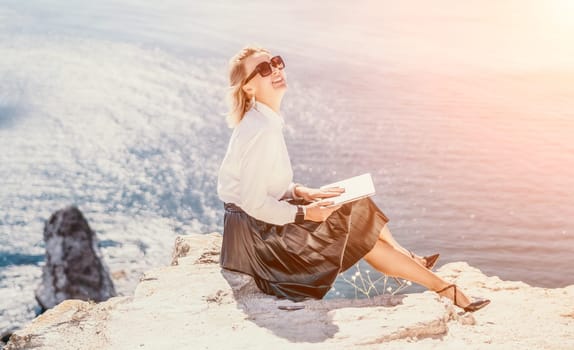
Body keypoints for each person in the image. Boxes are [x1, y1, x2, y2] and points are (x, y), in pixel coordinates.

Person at [217, 45, 490, 312]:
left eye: (275, 62)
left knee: (355, 202)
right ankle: (441, 285)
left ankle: (429, 276)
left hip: (256, 232)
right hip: (257, 244)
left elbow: (262, 185)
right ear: (248, 87)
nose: (275, 69)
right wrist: (304, 214)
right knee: (356, 218)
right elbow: (253, 203)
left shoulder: (265, 121)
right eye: (263, 69)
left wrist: (301, 191)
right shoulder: (260, 129)